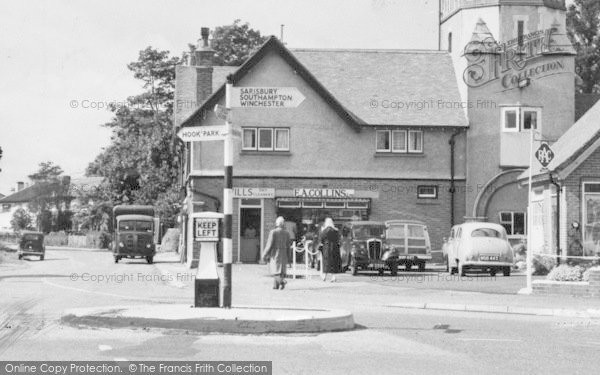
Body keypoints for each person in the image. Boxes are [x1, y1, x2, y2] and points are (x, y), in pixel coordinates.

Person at [262, 217, 292, 290]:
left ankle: (282, 281)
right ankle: (276, 286)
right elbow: (288, 246)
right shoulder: (287, 233)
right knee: (280, 271)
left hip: (275, 253)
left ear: (276, 224)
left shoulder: (273, 232)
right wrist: (289, 257)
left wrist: (264, 254)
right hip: (284, 253)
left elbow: (269, 244)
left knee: (274, 271)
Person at [319, 217, 342, 282]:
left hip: (326, 248)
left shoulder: (324, 230)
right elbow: (338, 239)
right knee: (333, 262)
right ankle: (333, 277)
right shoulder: (336, 230)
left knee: (326, 262)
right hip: (334, 248)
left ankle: (324, 277)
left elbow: (321, 239)